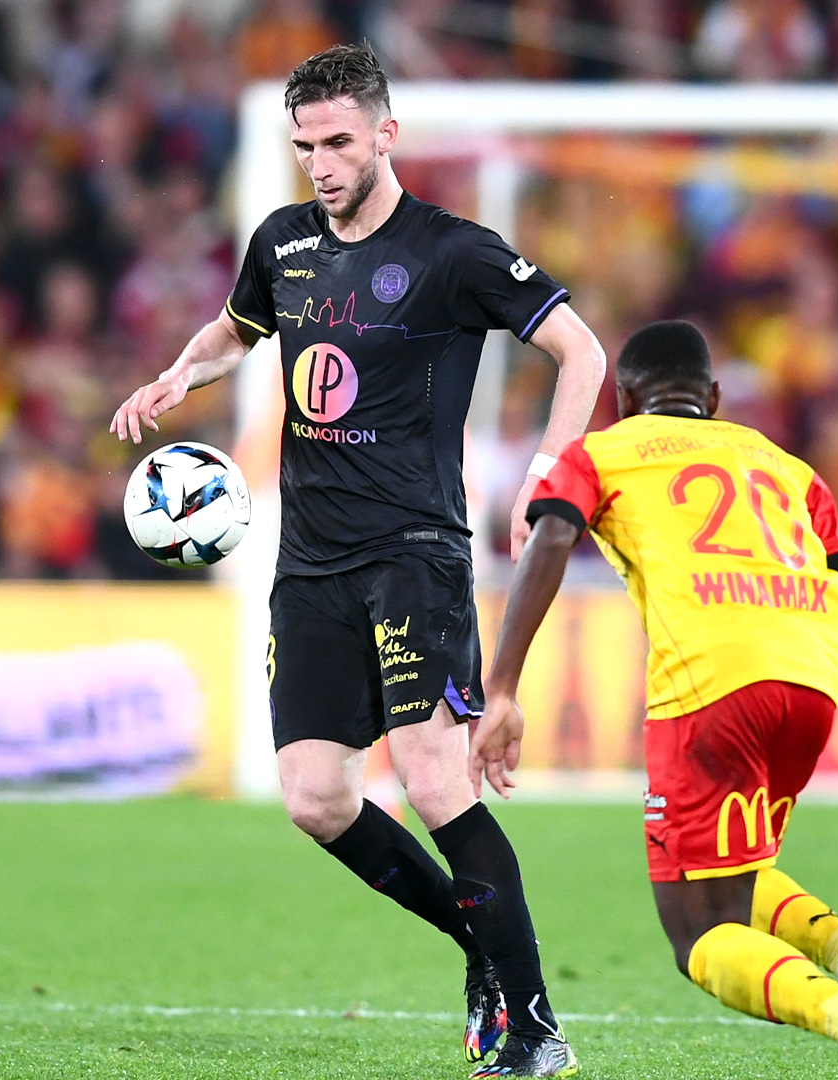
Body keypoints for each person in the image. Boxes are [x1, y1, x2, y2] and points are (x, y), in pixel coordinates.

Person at [108, 43, 605, 1079]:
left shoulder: (454, 252)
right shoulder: (282, 242)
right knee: (317, 799)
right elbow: (233, 330)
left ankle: (536, 1025)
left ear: (386, 134)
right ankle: (479, 946)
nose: (321, 165)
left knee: (431, 779)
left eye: (339, 142)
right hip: (312, 562)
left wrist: (554, 469)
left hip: (416, 551)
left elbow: (583, 353)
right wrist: (176, 376)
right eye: (305, 147)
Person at [470, 320, 838, 1080]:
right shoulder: (787, 466)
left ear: (622, 399)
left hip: (710, 683)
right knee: (728, 872)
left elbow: (548, 540)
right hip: (812, 685)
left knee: (698, 934)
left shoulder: (602, 452)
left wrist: (501, 689)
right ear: (715, 399)